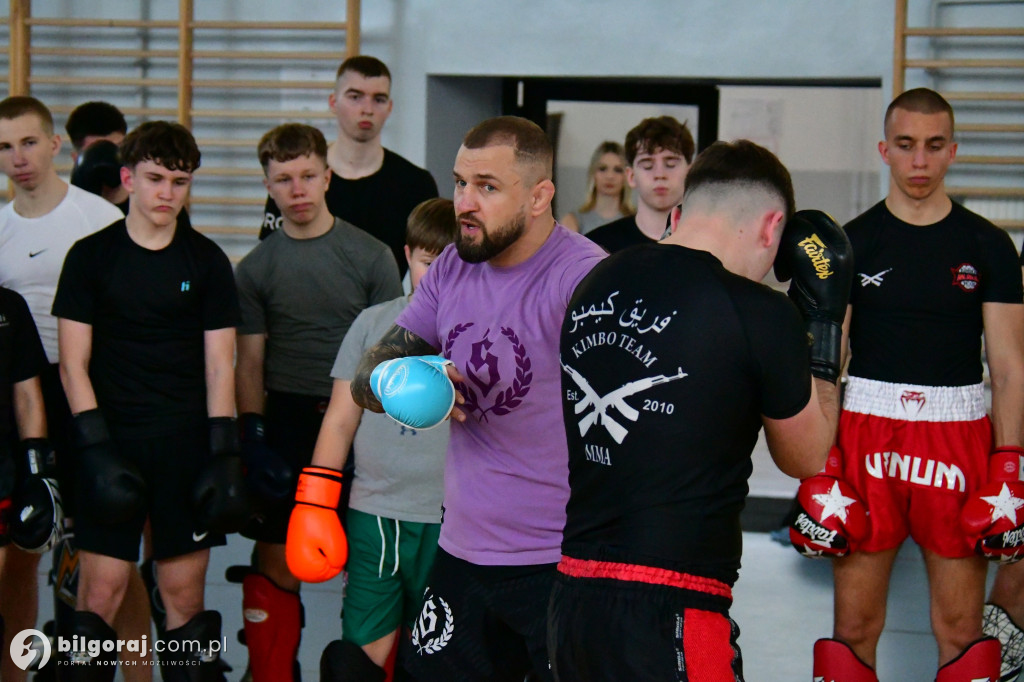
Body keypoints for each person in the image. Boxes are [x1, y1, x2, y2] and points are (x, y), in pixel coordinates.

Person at [548, 140, 850, 680]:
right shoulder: (761, 312)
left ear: (683, 211)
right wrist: (825, 330)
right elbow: (806, 457)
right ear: (771, 227)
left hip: (572, 593)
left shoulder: (596, 279)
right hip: (676, 601)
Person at [346, 116, 606, 681]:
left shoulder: (582, 279)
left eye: (487, 187)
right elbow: (366, 379)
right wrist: (412, 378)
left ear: (539, 196)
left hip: (558, 560)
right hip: (461, 550)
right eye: (460, 182)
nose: (464, 202)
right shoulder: (450, 270)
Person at [804, 88, 1024, 681]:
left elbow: (1008, 367)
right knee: (852, 631)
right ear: (885, 150)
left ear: (953, 150)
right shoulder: (849, 244)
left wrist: (1008, 465)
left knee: (959, 630)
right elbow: (827, 362)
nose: (919, 162)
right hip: (866, 428)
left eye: (932, 146)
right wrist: (819, 462)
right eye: (906, 146)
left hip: (956, 435)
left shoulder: (989, 246)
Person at [53, 121, 245, 679]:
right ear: (127, 178)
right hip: (110, 442)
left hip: (184, 447)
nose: (167, 193)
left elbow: (219, 365)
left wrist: (225, 453)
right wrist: (94, 448)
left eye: (180, 182)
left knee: (185, 602)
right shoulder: (90, 257)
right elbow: (72, 363)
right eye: (155, 178)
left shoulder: (206, 261)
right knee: (99, 598)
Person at [233, 122, 402, 682]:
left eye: (308, 175)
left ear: (328, 176)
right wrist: (251, 434)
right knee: (278, 561)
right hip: (283, 418)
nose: (298, 188)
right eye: (284, 179)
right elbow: (250, 360)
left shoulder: (371, 255)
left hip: (361, 418)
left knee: (371, 564)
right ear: (269, 185)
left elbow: (393, 349)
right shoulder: (255, 267)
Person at [292, 197, 457, 681]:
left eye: (455, 265)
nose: (442, 277)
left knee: (438, 659)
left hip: (456, 522)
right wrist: (316, 504)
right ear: (407, 254)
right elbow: (340, 420)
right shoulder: (372, 324)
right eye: (430, 263)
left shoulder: (484, 332)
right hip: (377, 513)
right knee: (355, 665)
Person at [0, 95, 125, 682]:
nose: (18, 157)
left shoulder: (96, 218)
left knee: (109, 555)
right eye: (4, 147)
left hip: (91, 395)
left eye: (28, 142)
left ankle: (135, 673)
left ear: (54, 145)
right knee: (22, 554)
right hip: (22, 400)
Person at [258, 55, 438, 279]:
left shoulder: (415, 183)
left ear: (390, 107)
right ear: (333, 102)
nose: (367, 109)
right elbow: (271, 254)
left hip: (383, 309)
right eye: (355, 97)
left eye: (378, 99)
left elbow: (431, 270)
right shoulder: (298, 180)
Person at [586, 116, 693, 253]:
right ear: (631, 176)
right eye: (647, 165)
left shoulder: (712, 245)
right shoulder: (597, 246)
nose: (659, 174)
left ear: (690, 174)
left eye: (670, 164)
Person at [558, 141, 633, 235]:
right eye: (602, 169)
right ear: (593, 173)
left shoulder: (638, 221)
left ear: (627, 176)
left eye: (618, 170)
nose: (610, 176)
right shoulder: (573, 221)